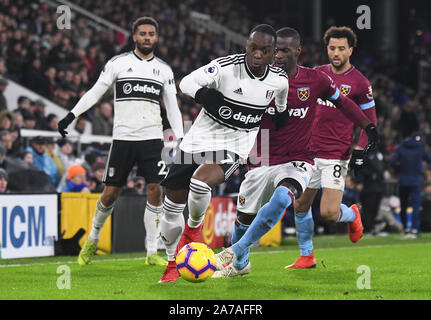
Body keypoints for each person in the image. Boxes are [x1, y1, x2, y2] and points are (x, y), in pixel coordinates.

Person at [213, 27, 377, 277]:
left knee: (315, 208)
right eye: (275, 50)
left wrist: (367, 132)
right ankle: (244, 263)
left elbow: (347, 105)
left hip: (312, 156)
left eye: (284, 51)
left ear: (297, 52)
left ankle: (235, 250)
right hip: (262, 159)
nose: (278, 55)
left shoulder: (328, 81)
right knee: (253, 217)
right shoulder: (256, 79)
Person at [158, 24, 290, 283]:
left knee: (199, 181)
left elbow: (281, 107)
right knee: (171, 206)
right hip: (197, 140)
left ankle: (193, 231)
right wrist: (205, 96)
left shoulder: (279, 81)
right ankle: (172, 261)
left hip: (235, 146)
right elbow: (186, 82)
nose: (258, 54)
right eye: (254, 47)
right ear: (247, 46)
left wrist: (282, 117)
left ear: (274, 52)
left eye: (265, 50)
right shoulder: (227, 67)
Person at [57, 17, 184, 266]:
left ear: (156, 38)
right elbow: (96, 90)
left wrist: (179, 138)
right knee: (111, 192)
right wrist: (72, 114)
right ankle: (92, 239)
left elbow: (172, 107)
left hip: (152, 139)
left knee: (156, 190)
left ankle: (151, 251)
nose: (147, 37)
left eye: (151, 34)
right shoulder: (118, 63)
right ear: (134, 37)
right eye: (142, 34)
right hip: (123, 139)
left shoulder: (164, 70)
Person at [287, 26, 378, 268]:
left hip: (336, 155)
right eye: (331, 48)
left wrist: (360, 151)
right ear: (326, 49)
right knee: (300, 204)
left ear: (350, 50)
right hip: (308, 152)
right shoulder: (317, 74)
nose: (336, 53)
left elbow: (370, 122)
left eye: (341, 48)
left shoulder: (360, 83)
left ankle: (352, 214)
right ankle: (307, 256)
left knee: (328, 213)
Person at [390, 131, 431, 238]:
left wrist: (400, 170)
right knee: (416, 206)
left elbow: (392, 161)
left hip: (403, 179)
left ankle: (405, 228)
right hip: (416, 180)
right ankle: (414, 229)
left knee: (403, 205)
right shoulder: (420, 147)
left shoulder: (401, 146)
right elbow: (429, 159)